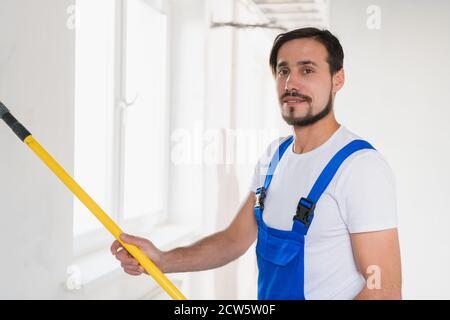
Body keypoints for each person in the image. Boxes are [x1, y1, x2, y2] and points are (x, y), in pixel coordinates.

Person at [111, 27, 402, 300]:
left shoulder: (360, 168)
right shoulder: (274, 157)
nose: (291, 83)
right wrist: (161, 260)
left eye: (307, 70)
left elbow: (384, 288)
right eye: (283, 70)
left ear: (338, 79)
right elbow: (233, 240)